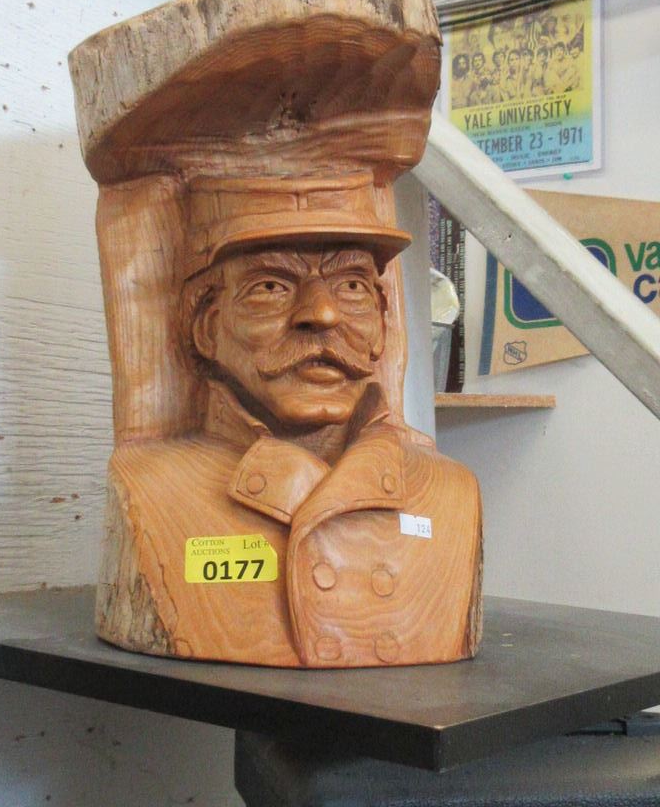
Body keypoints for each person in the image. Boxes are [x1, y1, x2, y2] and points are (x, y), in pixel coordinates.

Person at [98, 171, 483, 668]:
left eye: (351, 285)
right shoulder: (150, 488)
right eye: (271, 286)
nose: (321, 314)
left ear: (382, 326)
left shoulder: (451, 493)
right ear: (207, 328)